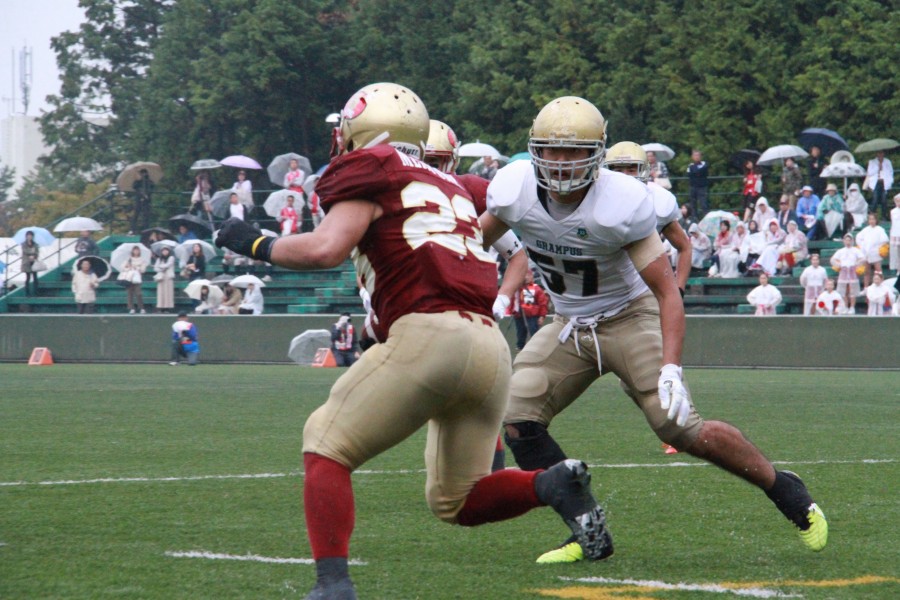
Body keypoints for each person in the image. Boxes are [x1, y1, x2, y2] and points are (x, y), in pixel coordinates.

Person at [215, 83, 609, 599]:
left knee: (326, 443)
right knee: (458, 500)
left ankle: (332, 585)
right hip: (488, 346)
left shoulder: (373, 167)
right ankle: (550, 483)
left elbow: (325, 249)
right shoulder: (452, 185)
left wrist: (254, 242)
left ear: (363, 129)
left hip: (430, 336)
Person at [478, 95, 826, 565]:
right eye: (551, 149)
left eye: (573, 151)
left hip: (628, 316)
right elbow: (472, 244)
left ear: (596, 156)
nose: (560, 162)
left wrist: (671, 368)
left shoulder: (619, 204)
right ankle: (585, 525)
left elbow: (666, 292)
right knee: (518, 416)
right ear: (534, 150)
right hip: (567, 324)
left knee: (677, 426)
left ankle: (783, 487)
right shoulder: (514, 190)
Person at [602, 141, 691, 293]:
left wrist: (679, 289)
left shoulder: (659, 201)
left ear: (644, 171)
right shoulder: (595, 200)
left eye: (631, 170)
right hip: (606, 285)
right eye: (618, 170)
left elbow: (684, 247)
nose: (625, 176)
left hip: (646, 287)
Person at [511, 269, 549, 351]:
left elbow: (543, 303)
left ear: (532, 276)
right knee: (520, 332)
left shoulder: (536, 288)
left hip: (532, 315)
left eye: (528, 275)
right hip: (519, 314)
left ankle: (536, 348)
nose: (526, 277)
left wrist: (542, 316)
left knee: (534, 332)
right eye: (524, 275)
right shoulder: (518, 288)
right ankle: (520, 347)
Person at [830, 233, 865, 313]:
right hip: (844, 272)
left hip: (852, 272)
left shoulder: (856, 250)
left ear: (852, 241)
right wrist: (839, 265)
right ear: (844, 241)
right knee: (844, 290)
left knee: (852, 290)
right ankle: (845, 306)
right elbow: (832, 260)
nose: (848, 242)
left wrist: (856, 264)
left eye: (849, 240)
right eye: (846, 240)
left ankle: (852, 307)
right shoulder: (841, 251)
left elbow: (863, 258)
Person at [855, 212, 889, 288]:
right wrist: (863, 246)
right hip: (866, 253)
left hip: (876, 253)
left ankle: (881, 286)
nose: (871, 221)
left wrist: (878, 247)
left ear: (876, 220)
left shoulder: (880, 229)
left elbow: (884, 240)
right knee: (867, 271)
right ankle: (866, 287)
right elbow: (859, 238)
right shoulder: (865, 230)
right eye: (870, 219)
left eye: (873, 219)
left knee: (878, 271)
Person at [863, 150, 893, 220]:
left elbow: (890, 172)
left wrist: (890, 181)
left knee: (884, 200)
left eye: (881, 153)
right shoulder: (872, 162)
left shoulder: (887, 162)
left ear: (883, 153)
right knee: (875, 199)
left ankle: (884, 217)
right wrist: (878, 168)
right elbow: (869, 173)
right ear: (876, 154)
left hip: (884, 182)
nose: (880, 154)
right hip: (875, 183)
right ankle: (872, 217)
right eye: (879, 153)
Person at [122, 245, 146, 314]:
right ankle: (131, 308)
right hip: (129, 278)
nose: (136, 251)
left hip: (137, 278)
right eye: (134, 250)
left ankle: (141, 307)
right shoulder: (129, 259)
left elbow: (143, 269)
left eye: (137, 250)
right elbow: (123, 267)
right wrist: (128, 268)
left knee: (138, 293)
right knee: (130, 294)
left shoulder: (142, 260)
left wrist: (137, 268)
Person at [686, 149, 709, 218]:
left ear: (701, 156)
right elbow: (689, 174)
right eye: (695, 155)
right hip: (693, 186)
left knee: (703, 204)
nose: (697, 157)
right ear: (692, 157)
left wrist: (695, 171)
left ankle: (706, 217)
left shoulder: (704, 164)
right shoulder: (690, 165)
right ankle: (694, 218)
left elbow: (702, 171)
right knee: (693, 204)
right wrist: (698, 171)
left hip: (702, 187)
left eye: (698, 155)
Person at [130, 168, 154, 234]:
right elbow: (134, 186)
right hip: (138, 201)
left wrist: (147, 194)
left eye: (144, 173)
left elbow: (152, 187)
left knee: (146, 216)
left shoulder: (149, 182)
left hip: (146, 201)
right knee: (136, 215)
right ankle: (133, 230)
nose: (143, 174)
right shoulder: (137, 182)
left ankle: (146, 230)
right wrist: (137, 179)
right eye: (142, 173)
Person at [153, 246, 176, 313]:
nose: (165, 252)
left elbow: (168, 265)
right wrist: (160, 269)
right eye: (163, 251)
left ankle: (167, 308)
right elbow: (155, 268)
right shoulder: (159, 259)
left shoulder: (171, 258)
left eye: (166, 250)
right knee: (161, 292)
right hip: (161, 277)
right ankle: (161, 307)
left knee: (168, 292)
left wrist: (160, 266)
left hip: (168, 277)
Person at [20, 230, 40, 296]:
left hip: (34, 262)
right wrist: (32, 253)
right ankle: (27, 293)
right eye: (28, 236)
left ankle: (36, 292)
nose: (29, 237)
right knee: (28, 278)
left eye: (31, 236)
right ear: (26, 236)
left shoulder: (35, 244)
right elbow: (25, 251)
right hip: (27, 263)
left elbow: (37, 252)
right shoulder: (23, 244)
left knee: (35, 278)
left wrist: (34, 256)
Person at [890, 193, 900, 272]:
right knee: (896, 252)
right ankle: (898, 269)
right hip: (895, 233)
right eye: (897, 201)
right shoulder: (893, 211)